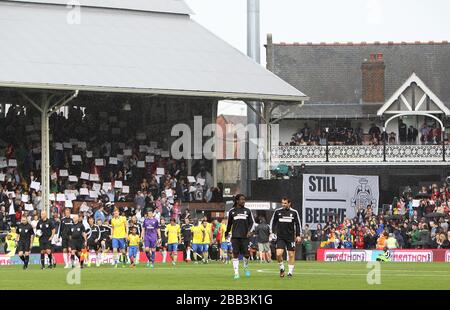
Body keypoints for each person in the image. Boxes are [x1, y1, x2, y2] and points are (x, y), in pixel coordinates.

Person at [225, 194, 255, 279]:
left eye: (244, 199)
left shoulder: (248, 211)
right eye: (242, 199)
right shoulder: (232, 211)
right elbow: (229, 224)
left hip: (245, 236)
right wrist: (226, 233)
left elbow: (252, 223)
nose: (243, 201)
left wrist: (250, 231)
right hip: (235, 236)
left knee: (246, 255)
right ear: (237, 201)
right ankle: (236, 273)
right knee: (235, 254)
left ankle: (245, 267)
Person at [270, 197, 302, 278]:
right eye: (282, 203)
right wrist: (272, 233)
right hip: (280, 237)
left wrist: (298, 235)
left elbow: (298, 224)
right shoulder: (277, 212)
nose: (283, 204)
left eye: (285, 203)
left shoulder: (294, 212)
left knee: (291, 255)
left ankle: (290, 273)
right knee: (278, 254)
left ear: (289, 203)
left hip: (290, 237)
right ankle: (282, 268)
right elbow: (273, 223)